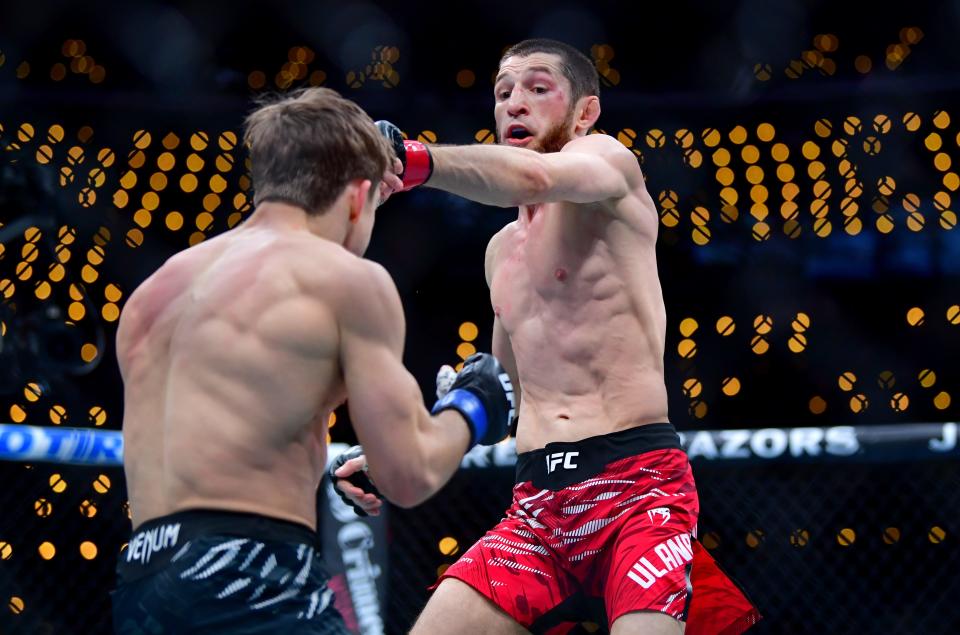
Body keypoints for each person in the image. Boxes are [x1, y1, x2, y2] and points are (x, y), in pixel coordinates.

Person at [335, 39, 760, 634]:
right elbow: (497, 390)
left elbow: (533, 179)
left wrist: (410, 159)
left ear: (585, 112)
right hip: (536, 507)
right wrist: (400, 448)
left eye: (538, 88)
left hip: (636, 490)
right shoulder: (499, 254)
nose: (516, 104)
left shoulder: (610, 165)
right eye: (504, 93)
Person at [112, 87, 514, 634]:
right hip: (249, 572)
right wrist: (475, 405)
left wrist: (319, 470)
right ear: (356, 197)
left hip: (141, 578)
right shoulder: (343, 279)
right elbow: (410, 472)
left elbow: (215, 437)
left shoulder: (156, 291)